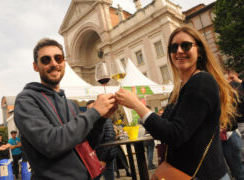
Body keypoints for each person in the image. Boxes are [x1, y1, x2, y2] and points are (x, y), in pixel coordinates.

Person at [116, 25, 238, 179]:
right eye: (173, 48)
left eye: (186, 45)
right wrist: (140, 106)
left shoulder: (202, 81)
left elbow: (175, 134)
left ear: (199, 51)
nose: (179, 51)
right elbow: (163, 130)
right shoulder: (178, 89)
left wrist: (137, 105)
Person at [14, 38, 117, 180]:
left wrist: (101, 118)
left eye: (58, 58)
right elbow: (51, 144)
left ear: (64, 63)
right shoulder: (26, 100)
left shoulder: (71, 104)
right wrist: (94, 112)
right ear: (35, 66)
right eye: (45, 60)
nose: (54, 63)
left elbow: (87, 144)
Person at [220, 70, 244, 180]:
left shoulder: (229, 91)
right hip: (231, 134)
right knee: (237, 169)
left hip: (230, 134)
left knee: (238, 170)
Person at [87, 100, 118, 180]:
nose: (91, 112)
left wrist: (103, 159)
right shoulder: (91, 121)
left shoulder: (105, 119)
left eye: (93, 109)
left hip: (106, 156)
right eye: (89, 110)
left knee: (108, 175)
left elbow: (109, 138)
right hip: (96, 156)